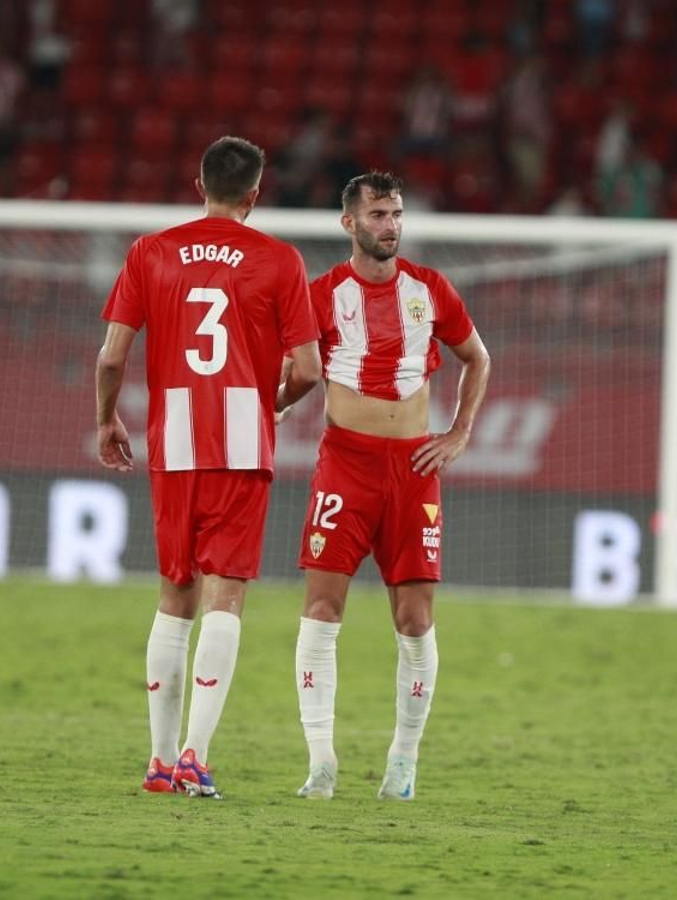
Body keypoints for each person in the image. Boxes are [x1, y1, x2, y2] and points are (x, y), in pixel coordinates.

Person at [96, 136, 322, 799]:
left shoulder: (151, 251)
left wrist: (108, 417)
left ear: (199, 186)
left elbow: (111, 358)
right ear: (255, 194)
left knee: (175, 594)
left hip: (174, 440)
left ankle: (160, 763)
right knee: (227, 594)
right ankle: (196, 755)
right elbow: (308, 368)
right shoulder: (280, 260)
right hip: (240, 440)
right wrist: (273, 403)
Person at [280, 172, 492, 801]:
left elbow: (477, 357)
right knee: (321, 611)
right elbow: (293, 374)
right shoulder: (321, 295)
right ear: (349, 224)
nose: (390, 225)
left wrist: (458, 434)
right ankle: (321, 762)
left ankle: (404, 759)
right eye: (377, 214)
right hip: (345, 464)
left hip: (413, 470)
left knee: (415, 619)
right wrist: (271, 405)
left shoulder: (431, 291)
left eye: (396, 212)